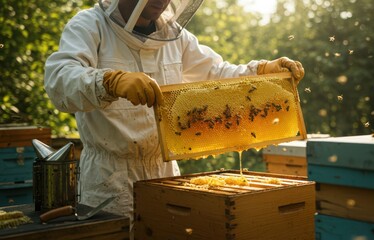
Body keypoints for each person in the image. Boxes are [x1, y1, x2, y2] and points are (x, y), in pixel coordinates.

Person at [44, 0, 305, 231]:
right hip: (109, 179)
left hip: (166, 172)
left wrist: (262, 71)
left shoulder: (173, 36)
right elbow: (60, 80)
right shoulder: (90, 25)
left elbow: (217, 75)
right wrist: (109, 81)